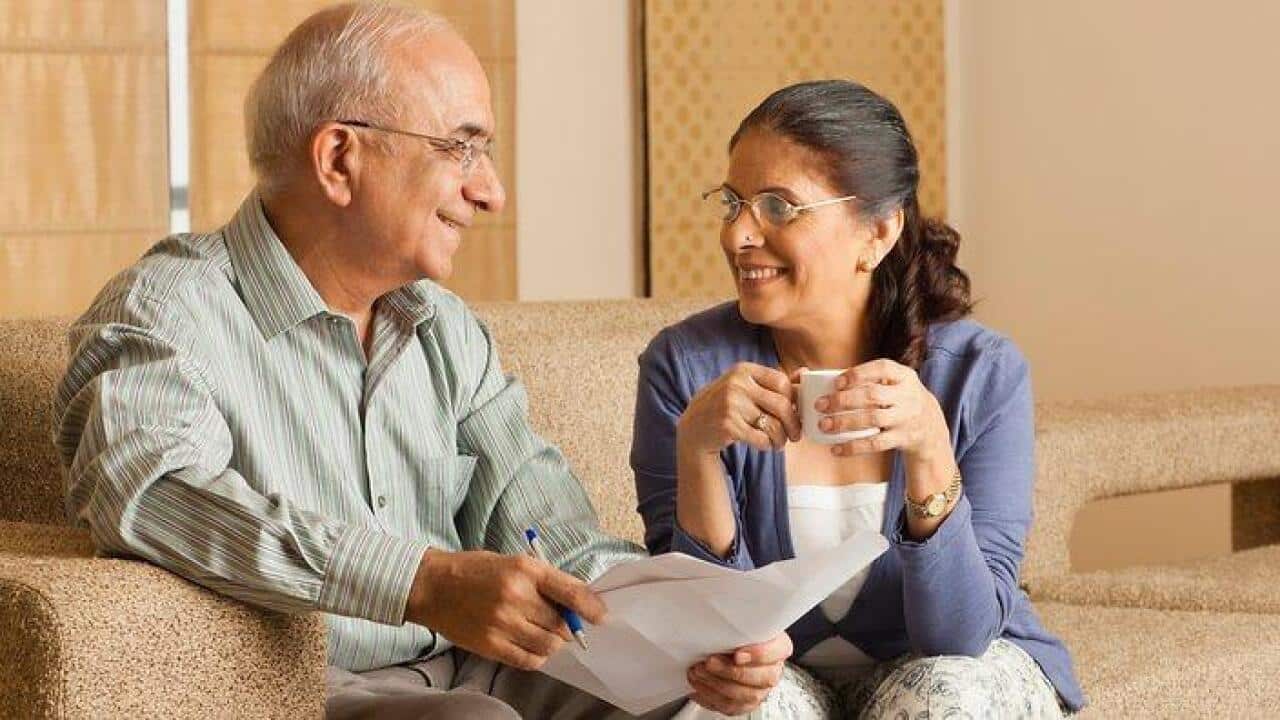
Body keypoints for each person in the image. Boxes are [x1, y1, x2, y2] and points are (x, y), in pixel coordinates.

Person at [52, 3, 789, 718]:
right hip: (301, 686)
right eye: (461, 148)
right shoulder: (167, 310)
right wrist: (419, 582)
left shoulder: (444, 329)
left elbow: (547, 528)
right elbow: (148, 491)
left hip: (472, 671)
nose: (491, 191)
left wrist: (689, 631)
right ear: (341, 158)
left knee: (694, 702)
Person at [631, 80, 1086, 718]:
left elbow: (961, 637)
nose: (739, 234)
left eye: (778, 208)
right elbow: (702, 637)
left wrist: (929, 445)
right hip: (777, 678)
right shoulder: (683, 367)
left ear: (878, 230)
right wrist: (698, 449)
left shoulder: (982, 374)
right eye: (733, 202)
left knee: (953, 698)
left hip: (947, 665)